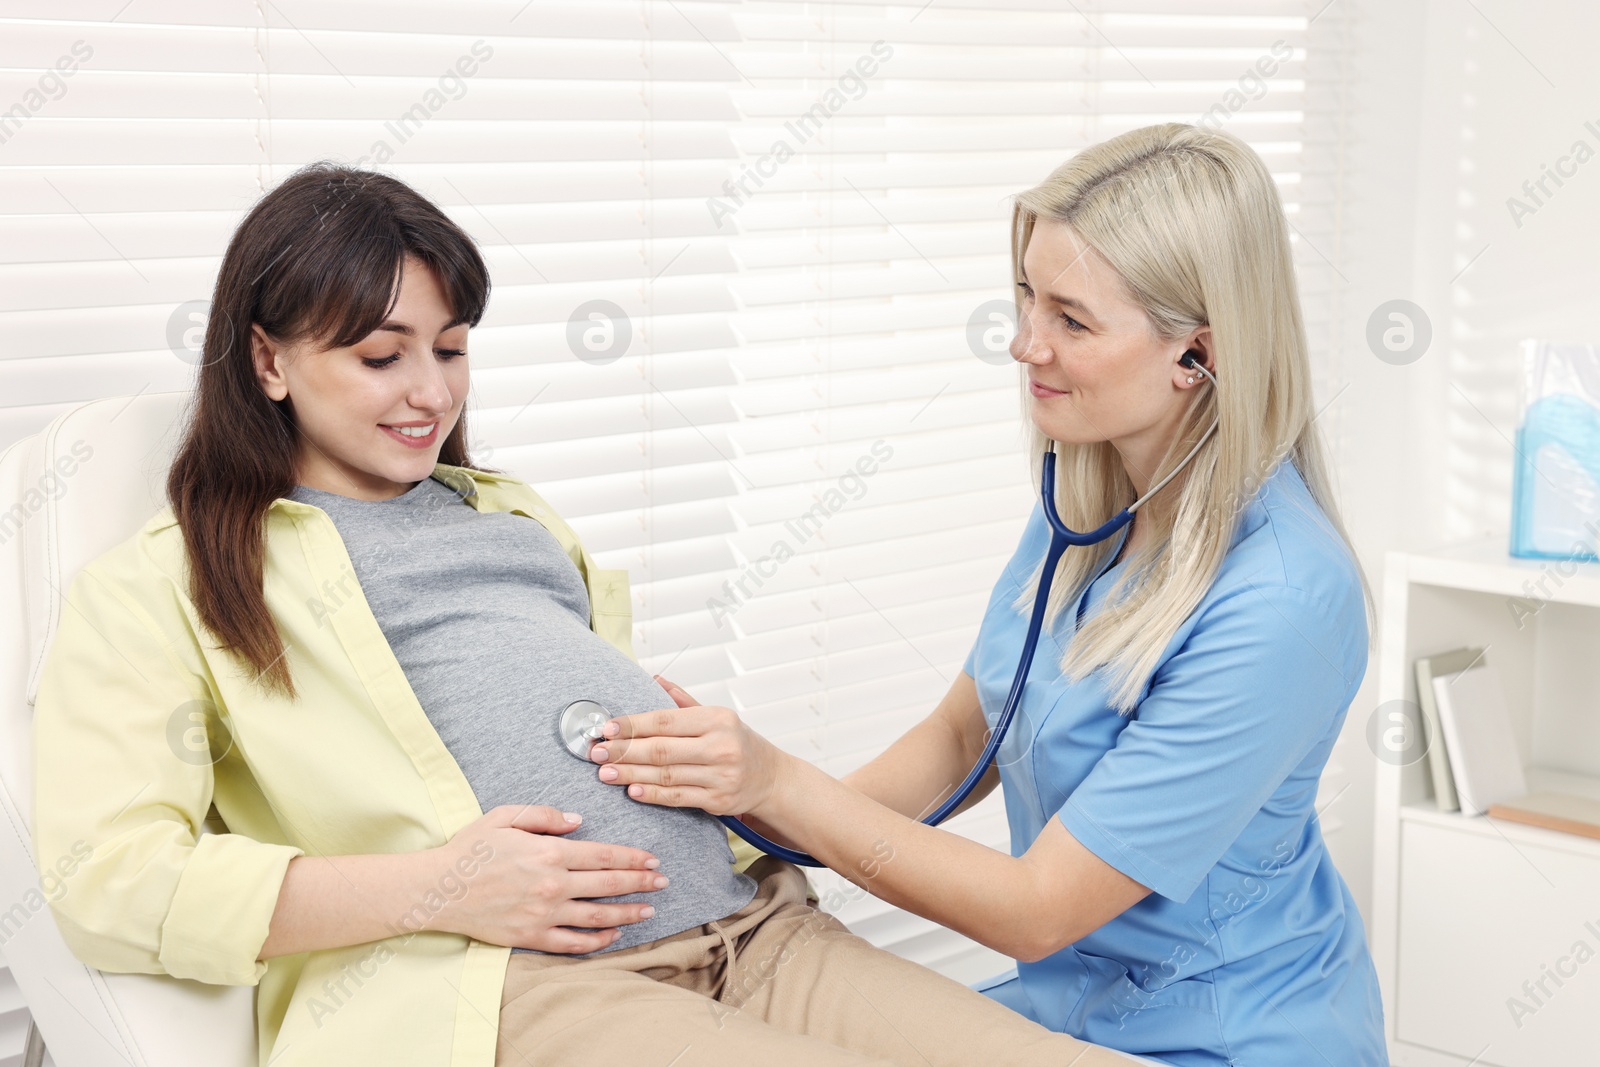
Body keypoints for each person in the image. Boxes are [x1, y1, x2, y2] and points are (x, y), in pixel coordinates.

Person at [29, 162, 1141, 1067]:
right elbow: (107, 878)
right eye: (380, 355)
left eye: (451, 347)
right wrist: (439, 884)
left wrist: (725, 769)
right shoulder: (168, 582)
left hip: (755, 926)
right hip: (525, 987)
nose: (431, 391)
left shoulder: (511, 516)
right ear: (268, 359)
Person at [587, 123, 1391, 1066]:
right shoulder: (1088, 503)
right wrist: (745, 839)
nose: (1023, 345)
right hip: (1064, 1011)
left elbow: (1038, 908)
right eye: (1025, 299)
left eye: (1071, 320)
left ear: (1196, 354)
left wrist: (776, 784)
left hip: (1231, 1032)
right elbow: (968, 735)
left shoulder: (1285, 602)